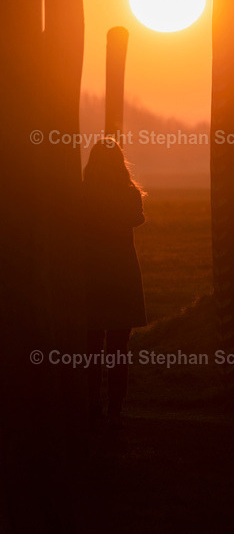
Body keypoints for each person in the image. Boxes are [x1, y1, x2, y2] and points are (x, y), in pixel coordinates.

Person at [82, 138, 146, 429]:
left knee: (92, 343)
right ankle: (116, 406)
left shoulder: (83, 195)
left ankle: (91, 401)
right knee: (119, 345)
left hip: (92, 274)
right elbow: (137, 219)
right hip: (122, 274)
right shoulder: (130, 193)